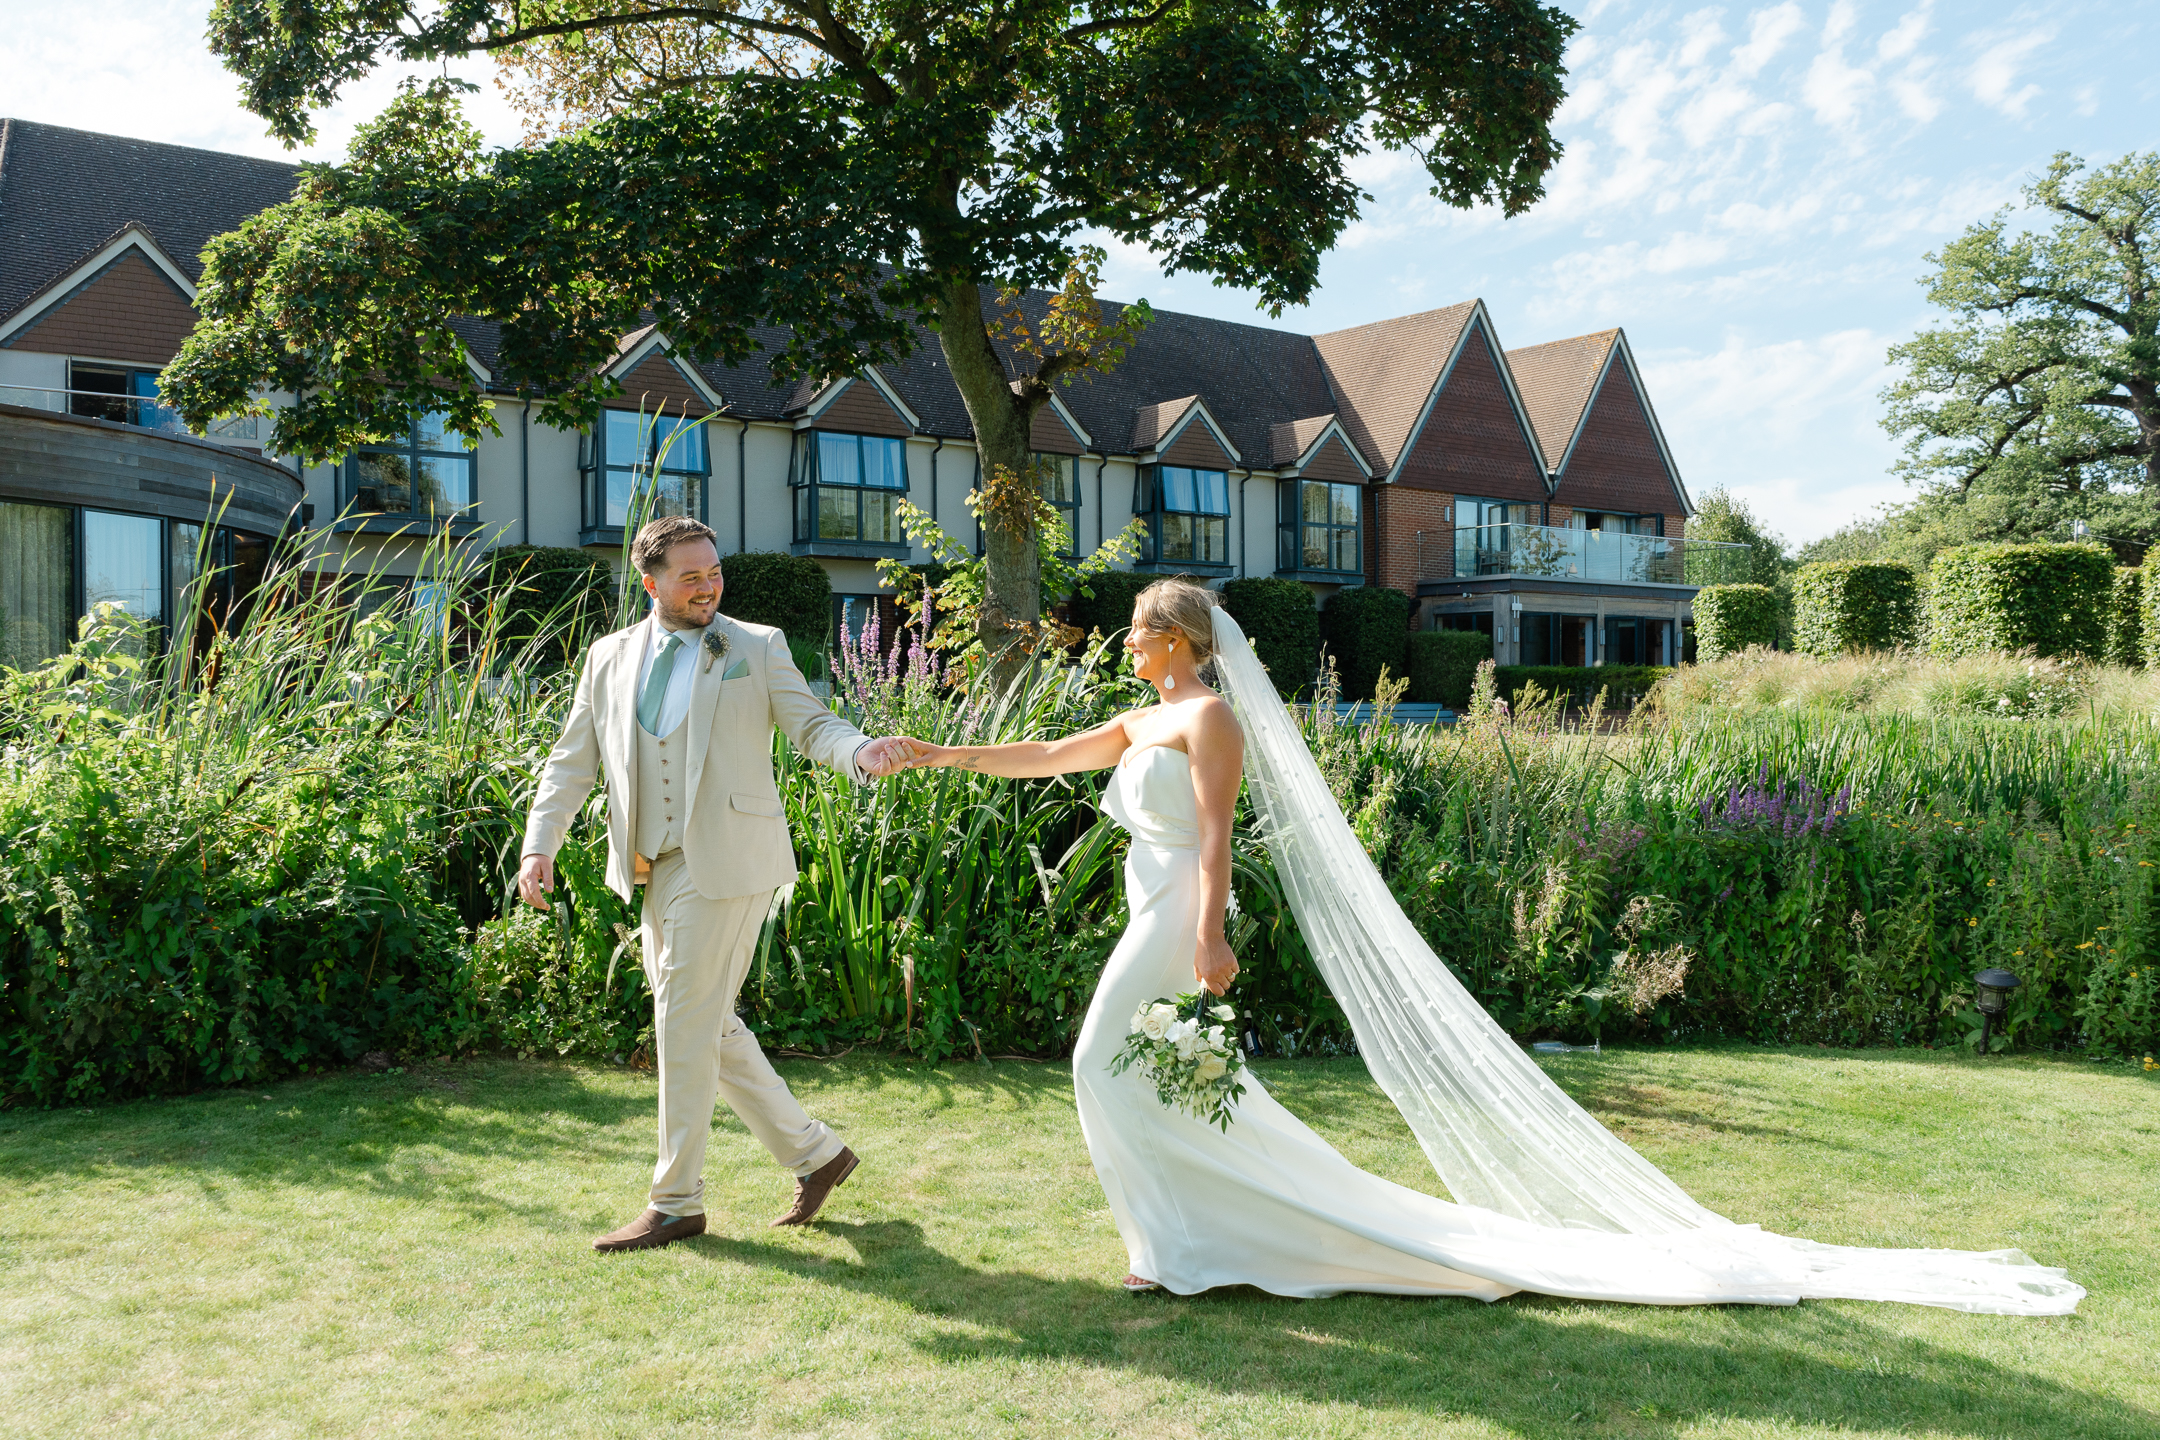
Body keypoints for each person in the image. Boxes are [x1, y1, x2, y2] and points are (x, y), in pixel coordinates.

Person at [895, 578, 2083, 1313]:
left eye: (1137, 634)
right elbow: (1042, 758)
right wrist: (934, 756)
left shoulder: (1205, 716)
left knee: (1111, 1062)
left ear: (1173, 638)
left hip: (1177, 918)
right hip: (1152, 911)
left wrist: (1210, 936)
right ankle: (1183, 1243)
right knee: (1176, 1080)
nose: (1125, 645)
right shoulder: (1140, 716)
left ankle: (1196, 1242)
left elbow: (1216, 838)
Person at [519, 515, 912, 1252]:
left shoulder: (755, 645)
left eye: (715, 572)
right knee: (705, 1023)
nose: (708, 587)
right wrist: (539, 845)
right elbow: (573, 760)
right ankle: (818, 1155)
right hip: (653, 864)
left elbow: (812, 725)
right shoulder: (607, 656)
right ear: (651, 583)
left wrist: (862, 752)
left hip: (731, 861)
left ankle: (676, 1201)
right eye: (690, 577)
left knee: (682, 1021)